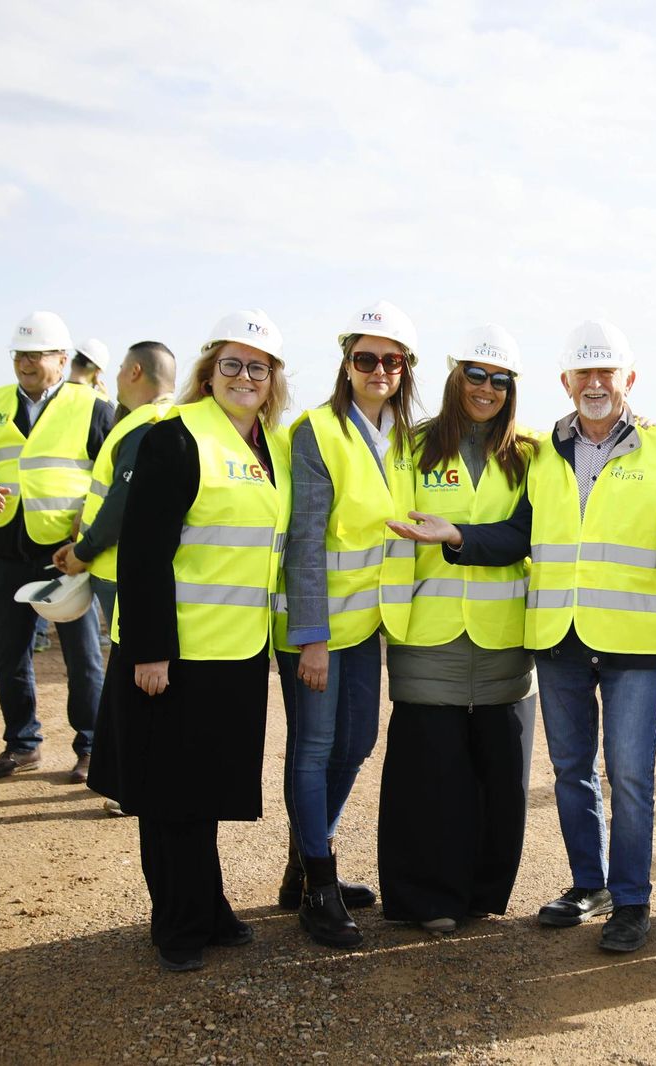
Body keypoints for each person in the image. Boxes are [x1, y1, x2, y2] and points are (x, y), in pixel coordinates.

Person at [389, 319, 656, 954]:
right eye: (584, 373)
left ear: (629, 379)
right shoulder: (543, 453)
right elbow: (519, 534)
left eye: (607, 372)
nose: (595, 383)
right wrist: (458, 537)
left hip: (632, 642)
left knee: (629, 776)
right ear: (566, 382)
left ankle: (630, 900)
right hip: (560, 639)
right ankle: (586, 885)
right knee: (572, 771)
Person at [88, 309, 291, 971]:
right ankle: (176, 925)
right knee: (169, 795)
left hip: (234, 652)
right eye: (231, 364)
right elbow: (144, 552)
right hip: (172, 653)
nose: (244, 376)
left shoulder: (267, 447)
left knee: (201, 793)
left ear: (272, 380)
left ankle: (207, 905)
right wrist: (149, 649)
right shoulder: (175, 437)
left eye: (257, 367)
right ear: (209, 372)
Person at [377, 325, 537, 934]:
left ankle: (484, 894)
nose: (487, 389)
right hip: (430, 630)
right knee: (429, 771)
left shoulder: (531, 454)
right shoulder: (412, 447)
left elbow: (525, 534)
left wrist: (458, 536)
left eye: (500, 380)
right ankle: (425, 898)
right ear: (455, 377)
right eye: (475, 374)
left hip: (504, 636)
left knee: (500, 774)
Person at [270, 300, 419, 948]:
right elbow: (305, 542)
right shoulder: (317, 431)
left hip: (368, 625)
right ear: (347, 365)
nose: (378, 369)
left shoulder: (408, 438)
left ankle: (304, 865)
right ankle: (319, 886)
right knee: (313, 746)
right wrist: (312, 639)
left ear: (405, 368)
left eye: (390, 359)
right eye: (366, 358)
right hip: (319, 628)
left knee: (357, 742)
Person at [0, 311, 113, 783]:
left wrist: (88, 532)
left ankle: (91, 747)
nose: (25, 362)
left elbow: (112, 476)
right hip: (6, 549)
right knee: (10, 654)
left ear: (61, 360)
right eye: (19, 354)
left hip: (66, 555)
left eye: (36, 354)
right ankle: (21, 744)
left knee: (82, 657)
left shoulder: (93, 407)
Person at [54, 341, 178, 627]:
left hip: (121, 573)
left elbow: (123, 503)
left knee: (134, 663)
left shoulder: (144, 427)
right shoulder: (174, 419)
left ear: (135, 371)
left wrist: (82, 551)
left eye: (121, 368)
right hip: (151, 570)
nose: (117, 375)